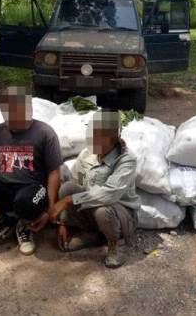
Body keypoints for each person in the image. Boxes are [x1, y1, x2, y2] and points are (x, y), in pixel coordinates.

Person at [0, 86, 62, 255]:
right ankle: (4, 223)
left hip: (33, 189)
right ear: (2, 111)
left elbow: (54, 172)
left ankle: (25, 226)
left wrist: (50, 208)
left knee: (25, 202)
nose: (13, 119)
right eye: (9, 114)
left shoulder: (45, 133)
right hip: (3, 187)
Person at [49, 109, 140, 268]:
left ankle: (116, 243)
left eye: (100, 135)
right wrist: (62, 223)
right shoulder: (87, 153)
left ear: (113, 138)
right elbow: (74, 182)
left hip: (121, 215)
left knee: (102, 210)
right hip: (93, 211)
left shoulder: (127, 160)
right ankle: (93, 235)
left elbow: (109, 195)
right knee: (67, 188)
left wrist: (70, 200)